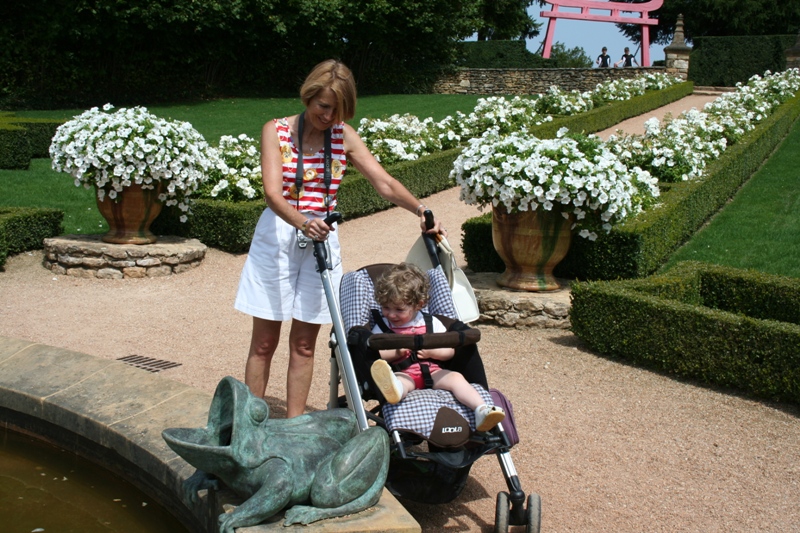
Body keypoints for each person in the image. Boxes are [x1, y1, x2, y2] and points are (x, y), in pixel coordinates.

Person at [235, 60, 445, 418]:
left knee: (304, 345)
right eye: (323, 106)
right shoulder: (276, 131)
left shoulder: (343, 135)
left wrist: (421, 210)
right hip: (279, 236)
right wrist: (303, 222)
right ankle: (247, 424)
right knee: (264, 343)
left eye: (338, 110)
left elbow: (384, 182)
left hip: (322, 241)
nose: (329, 116)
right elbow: (272, 193)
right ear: (308, 96)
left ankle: (295, 426)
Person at [369, 263, 505, 432]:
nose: (391, 314)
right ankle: (394, 391)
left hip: (434, 372)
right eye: (385, 307)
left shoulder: (431, 322)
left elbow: (450, 351)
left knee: (456, 378)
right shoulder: (383, 326)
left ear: (418, 304)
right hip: (404, 372)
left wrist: (434, 352)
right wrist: (396, 351)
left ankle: (481, 409)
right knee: (398, 383)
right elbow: (375, 353)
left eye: (399, 309)